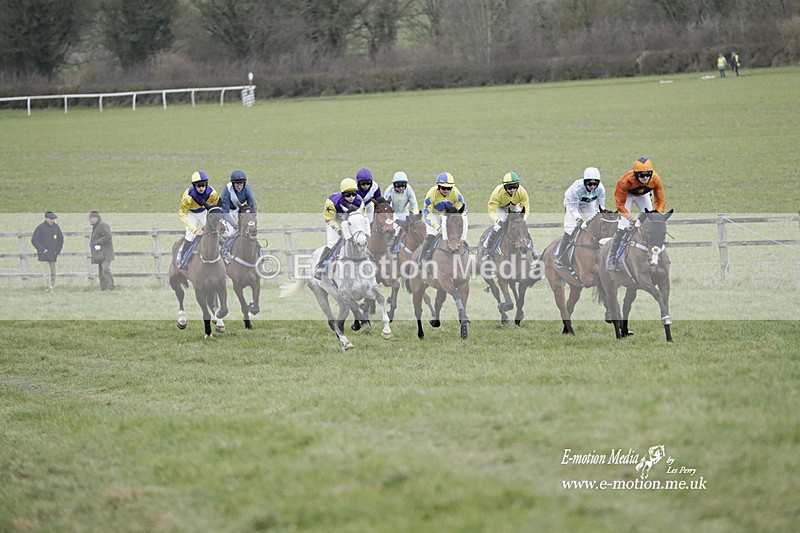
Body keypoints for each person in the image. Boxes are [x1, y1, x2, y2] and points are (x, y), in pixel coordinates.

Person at [606, 158, 667, 271]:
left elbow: (660, 201)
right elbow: (620, 205)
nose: (645, 178)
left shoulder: (656, 178)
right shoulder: (624, 181)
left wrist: (657, 215)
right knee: (623, 225)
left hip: (643, 195)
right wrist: (631, 219)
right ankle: (611, 258)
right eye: (641, 175)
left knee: (651, 220)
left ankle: (654, 254)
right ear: (635, 174)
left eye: (648, 174)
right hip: (627, 196)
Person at [554, 167, 606, 268]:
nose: (592, 186)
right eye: (590, 184)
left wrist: (600, 217)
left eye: (595, 184)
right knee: (570, 227)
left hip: (588, 203)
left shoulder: (601, 189)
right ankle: (560, 255)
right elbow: (573, 208)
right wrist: (579, 219)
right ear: (585, 182)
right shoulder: (576, 189)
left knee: (596, 223)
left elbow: (601, 207)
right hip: (571, 204)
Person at [314, 178, 366, 279]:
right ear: (343, 194)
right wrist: (338, 230)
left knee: (361, 240)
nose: (351, 197)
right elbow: (329, 218)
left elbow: (362, 216)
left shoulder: (359, 200)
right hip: (335, 222)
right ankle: (320, 268)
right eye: (348, 195)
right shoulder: (332, 202)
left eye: (353, 194)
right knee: (332, 243)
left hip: (351, 223)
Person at [481, 171, 532, 263]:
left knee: (521, 226)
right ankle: (487, 251)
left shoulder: (522, 191)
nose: (513, 190)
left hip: (514, 206)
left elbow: (526, 206)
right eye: (509, 187)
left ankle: (531, 248)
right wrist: (497, 220)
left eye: (515, 187)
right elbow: (491, 209)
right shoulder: (497, 192)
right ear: (504, 187)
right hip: (500, 208)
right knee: (498, 227)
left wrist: (522, 220)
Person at [177, 170, 221, 270]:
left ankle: (224, 255)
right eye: (198, 186)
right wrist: (195, 230)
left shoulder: (213, 193)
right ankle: (183, 259)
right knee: (190, 236)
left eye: (203, 185)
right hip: (191, 213)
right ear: (194, 186)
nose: (201, 188)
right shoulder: (188, 197)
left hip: (205, 212)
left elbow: (215, 208)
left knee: (214, 232)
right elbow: (182, 213)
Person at [419, 172, 468, 261]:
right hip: (433, 215)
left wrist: (456, 217)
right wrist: (438, 228)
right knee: (431, 236)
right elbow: (427, 213)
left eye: (449, 188)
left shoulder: (456, 192)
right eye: (443, 188)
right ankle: (422, 259)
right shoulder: (431, 193)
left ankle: (467, 256)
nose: (446, 191)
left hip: (447, 215)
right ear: (438, 187)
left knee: (457, 234)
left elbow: (463, 208)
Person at [383, 171, 419, 249]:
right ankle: (391, 246)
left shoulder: (409, 189)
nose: (401, 188)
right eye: (398, 186)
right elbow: (385, 207)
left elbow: (414, 204)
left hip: (404, 212)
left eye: (403, 186)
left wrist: (415, 215)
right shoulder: (389, 190)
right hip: (393, 213)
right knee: (396, 229)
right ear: (394, 185)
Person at [31, 211, 64, 292]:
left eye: (53, 219)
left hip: (53, 255)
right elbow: (34, 240)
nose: (52, 221)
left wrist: (57, 250)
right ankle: (48, 289)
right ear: (46, 218)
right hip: (43, 256)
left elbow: (60, 239)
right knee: (47, 274)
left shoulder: (56, 227)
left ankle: (52, 287)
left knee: (53, 273)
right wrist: (42, 250)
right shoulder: (40, 228)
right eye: (50, 219)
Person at [89, 211, 115, 291]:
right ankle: (103, 288)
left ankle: (110, 287)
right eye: (90, 218)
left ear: (97, 218)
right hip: (100, 253)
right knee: (101, 271)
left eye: (92, 218)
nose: (90, 220)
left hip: (106, 252)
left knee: (105, 269)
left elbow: (108, 236)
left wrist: (97, 242)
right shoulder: (96, 226)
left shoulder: (103, 225)